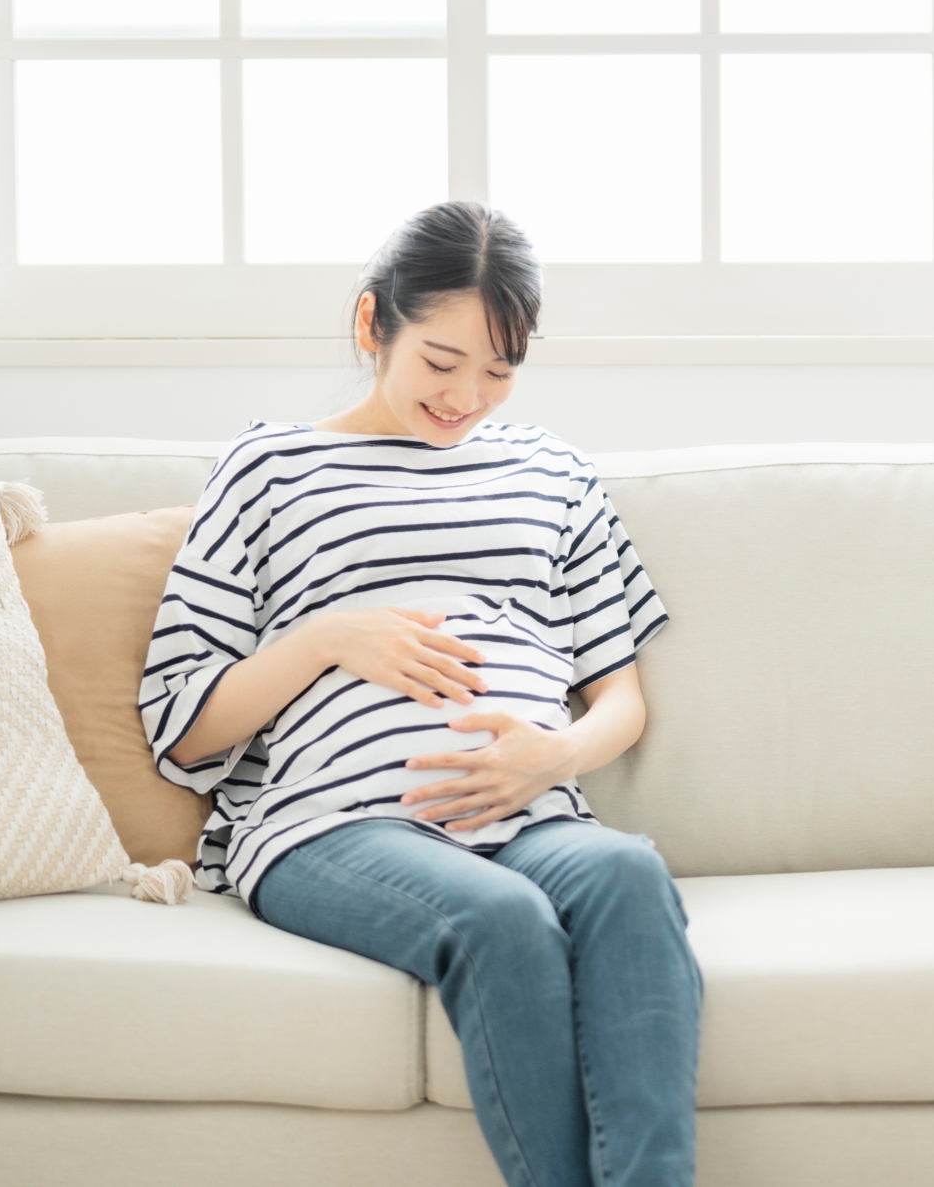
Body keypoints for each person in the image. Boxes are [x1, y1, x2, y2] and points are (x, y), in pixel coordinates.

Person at [140, 201, 701, 1187]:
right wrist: (324, 636)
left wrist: (558, 755)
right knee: (502, 920)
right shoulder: (270, 469)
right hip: (331, 828)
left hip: (526, 809)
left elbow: (621, 695)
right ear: (372, 326)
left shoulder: (556, 476)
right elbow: (181, 730)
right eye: (441, 363)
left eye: (498, 370)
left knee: (630, 877)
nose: (467, 396)